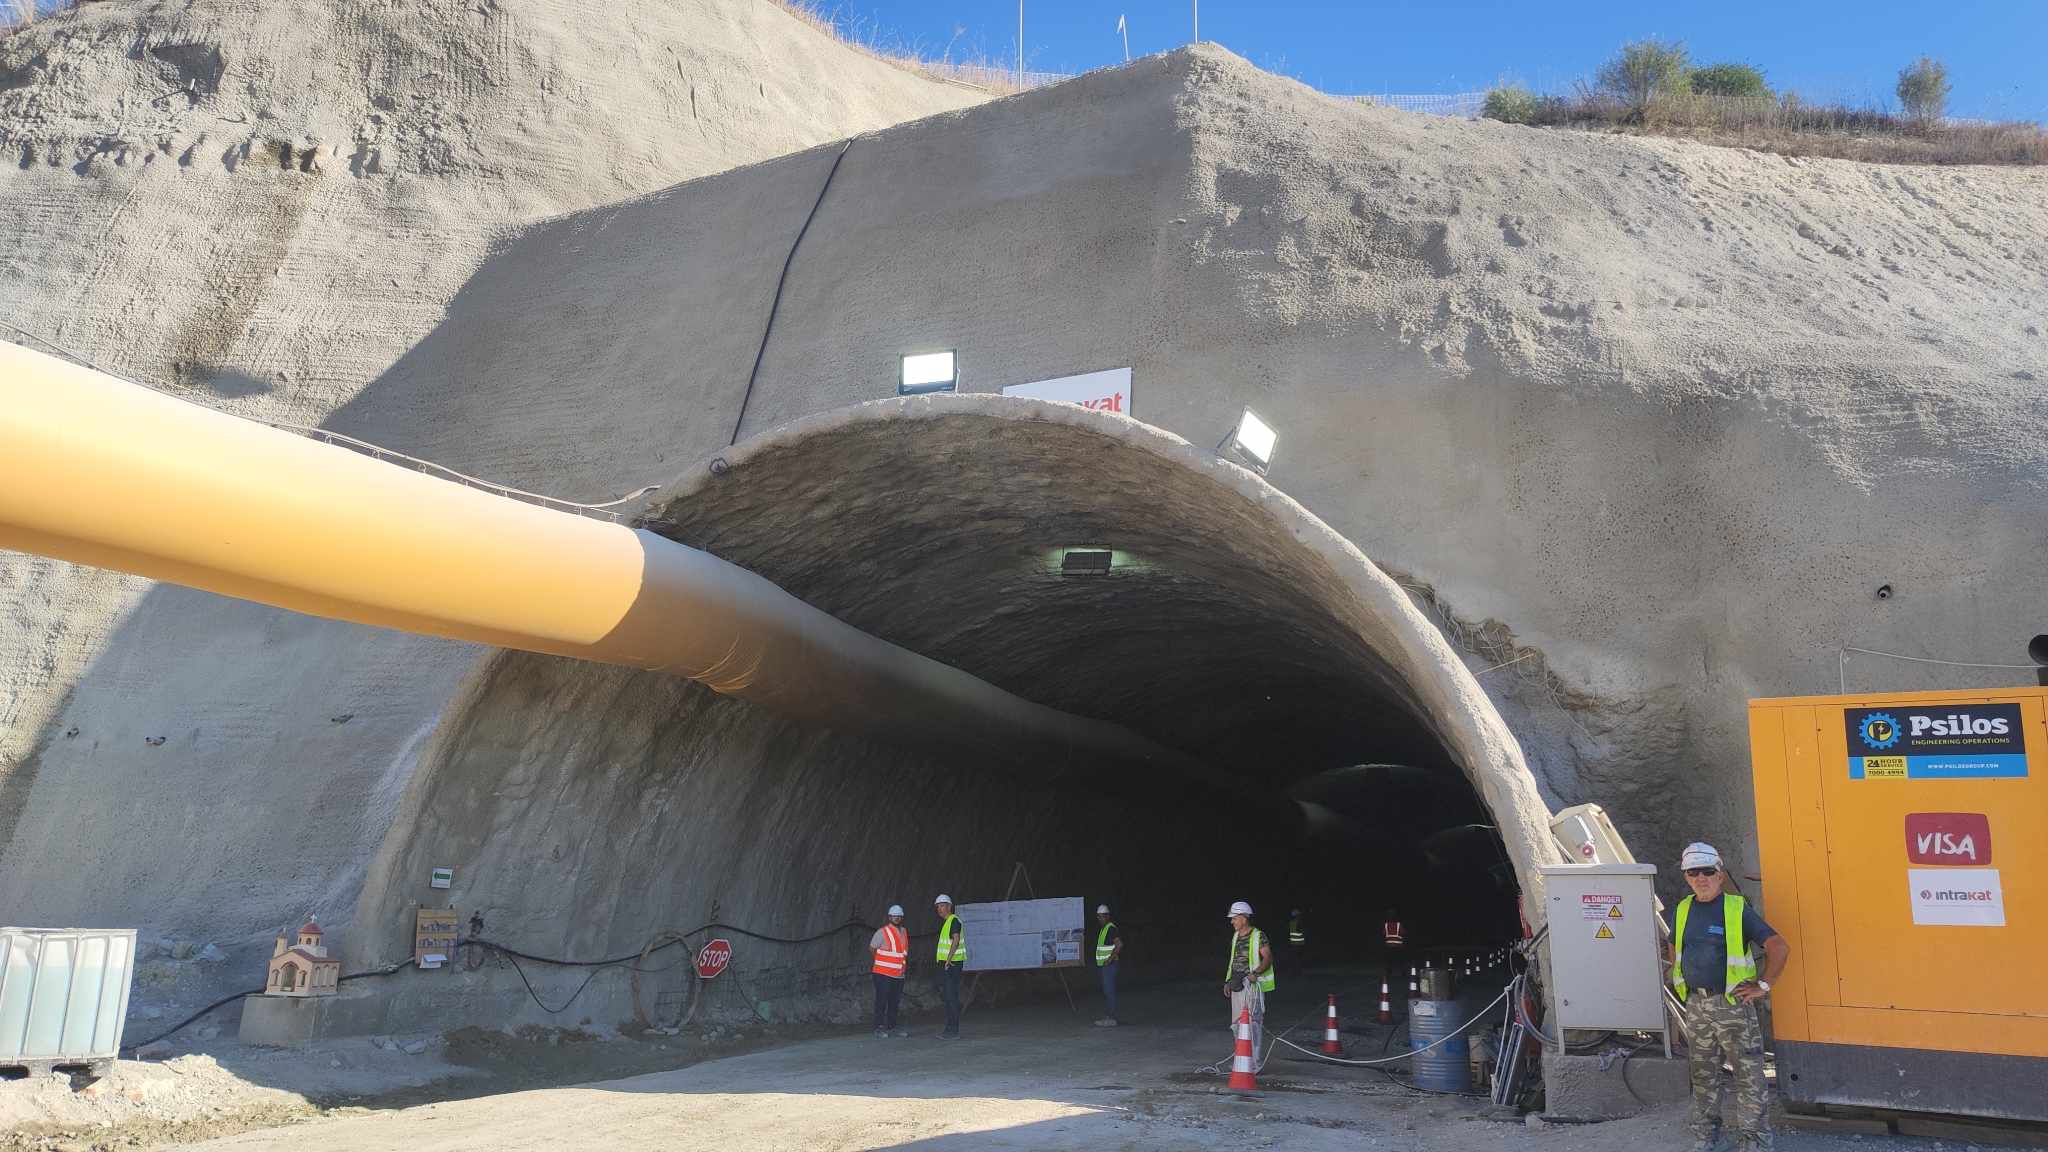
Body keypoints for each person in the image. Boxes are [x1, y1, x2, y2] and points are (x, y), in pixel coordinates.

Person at [1663, 843, 1791, 1152]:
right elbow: (1674, 945)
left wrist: (1764, 985)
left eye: (1708, 871)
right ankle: (1705, 1135)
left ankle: (1755, 1143)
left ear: (1720, 874)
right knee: (1703, 1074)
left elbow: (1778, 946)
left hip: (1732, 1005)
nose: (1701, 878)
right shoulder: (1682, 909)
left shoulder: (1736, 908)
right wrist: (1680, 979)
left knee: (1748, 1076)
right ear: (1686, 876)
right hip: (1697, 1006)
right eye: (1693, 872)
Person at [1224, 900, 1275, 1055]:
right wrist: (1228, 981)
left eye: (1234, 918)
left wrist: (1256, 973)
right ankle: (1242, 1057)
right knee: (1237, 1023)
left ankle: (1254, 1060)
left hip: (1251, 986)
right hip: (1237, 985)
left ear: (1244, 918)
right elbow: (1233, 961)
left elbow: (1268, 957)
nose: (1232, 921)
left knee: (1252, 1023)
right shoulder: (1235, 936)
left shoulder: (1259, 935)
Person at [869, 903, 910, 1037]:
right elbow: (872, 948)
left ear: (902, 917)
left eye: (899, 916)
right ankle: (878, 1027)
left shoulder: (904, 932)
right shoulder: (882, 932)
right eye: (894, 916)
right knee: (882, 1000)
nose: (896, 918)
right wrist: (882, 963)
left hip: (898, 974)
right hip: (883, 974)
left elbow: (902, 952)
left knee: (894, 1001)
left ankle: (892, 1026)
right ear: (889, 917)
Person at [934, 894, 967, 1039]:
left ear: (949, 906)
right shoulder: (947, 922)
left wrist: (948, 959)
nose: (939, 909)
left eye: (942, 906)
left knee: (950, 996)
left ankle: (952, 1030)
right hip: (947, 963)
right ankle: (950, 1026)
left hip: (951, 964)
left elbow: (956, 939)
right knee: (947, 995)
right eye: (938, 907)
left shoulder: (954, 920)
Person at [1093, 904, 1122, 1027]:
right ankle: (1110, 1016)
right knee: (1107, 991)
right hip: (1105, 966)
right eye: (1098, 917)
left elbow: (1119, 944)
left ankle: (1111, 1018)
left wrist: (1110, 959)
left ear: (1107, 916)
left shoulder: (1110, 928)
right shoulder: (1104, 929)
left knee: (1109, 991)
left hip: (1110, 966)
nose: (1100, 919)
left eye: (1102, 916)